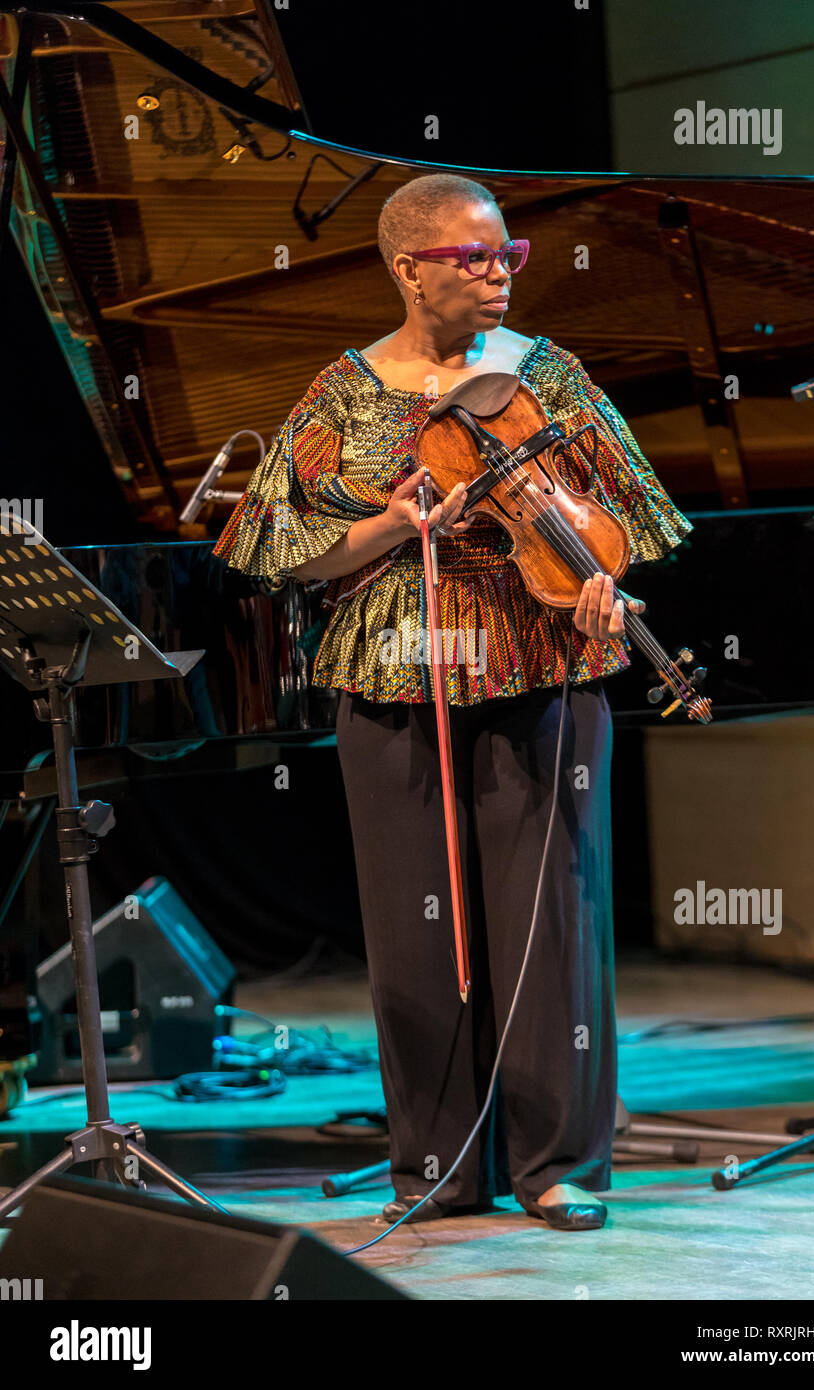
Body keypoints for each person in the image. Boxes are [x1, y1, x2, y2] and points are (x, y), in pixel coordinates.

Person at [214, 173, 692, 1231]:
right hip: (395, 665)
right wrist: (395, 522)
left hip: (541, 656)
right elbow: (284, 553)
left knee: (547, 915)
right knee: (413, 923)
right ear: (407, 268)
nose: (495, 273)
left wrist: (601, 583)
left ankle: (556, 1161)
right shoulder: (344, 393)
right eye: (471, 257)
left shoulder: (545, 374)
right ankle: (435, 1163)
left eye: (506, 255)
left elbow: (622, 516)